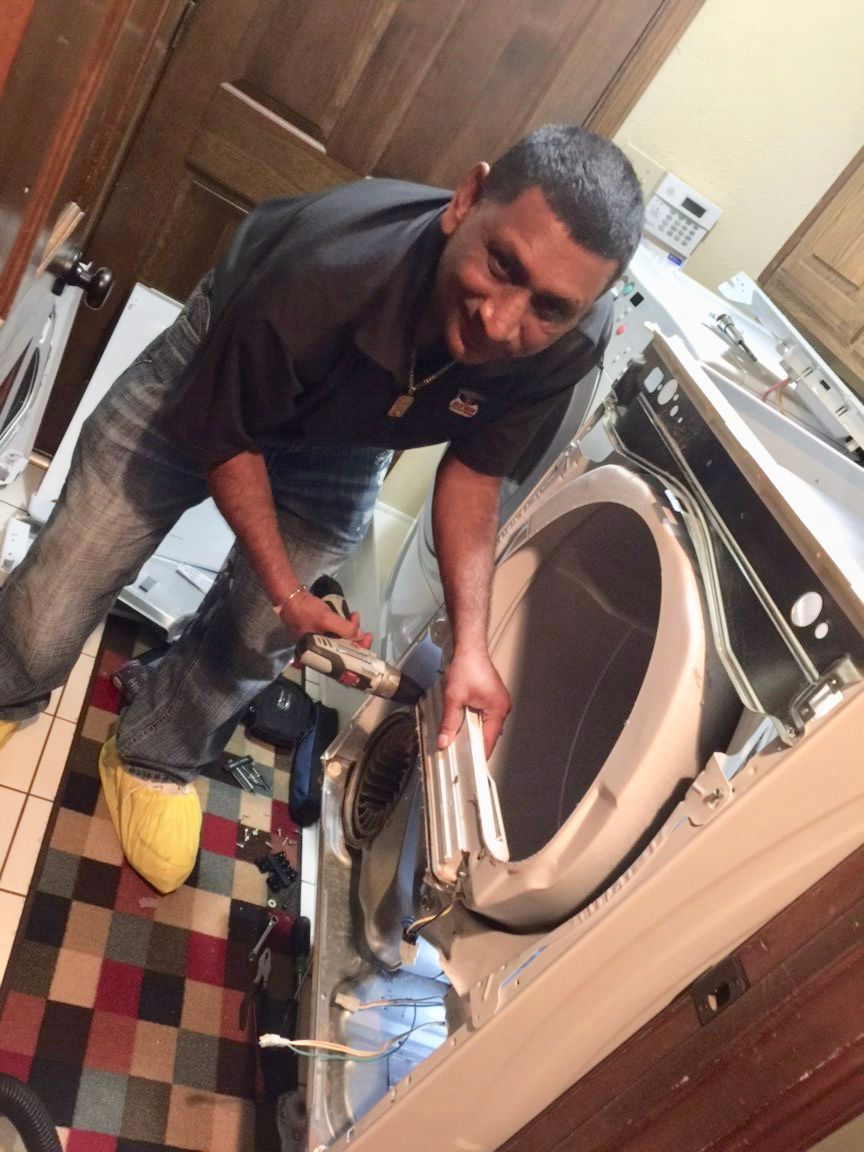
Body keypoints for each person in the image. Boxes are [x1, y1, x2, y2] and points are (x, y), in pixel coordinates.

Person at [0, 124, 643, 892]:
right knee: (59, 593)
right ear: (467, 199)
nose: (502, 323)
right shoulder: (331, 261)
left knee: (259, 636)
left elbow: (474, 475)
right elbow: (224, 435)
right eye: (501, 265)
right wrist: (288, 588)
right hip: (221, 368)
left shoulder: (568, 346)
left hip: (358, 431)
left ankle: (155, 752)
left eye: (550, 306)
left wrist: (470, 643)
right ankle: (8, 686)